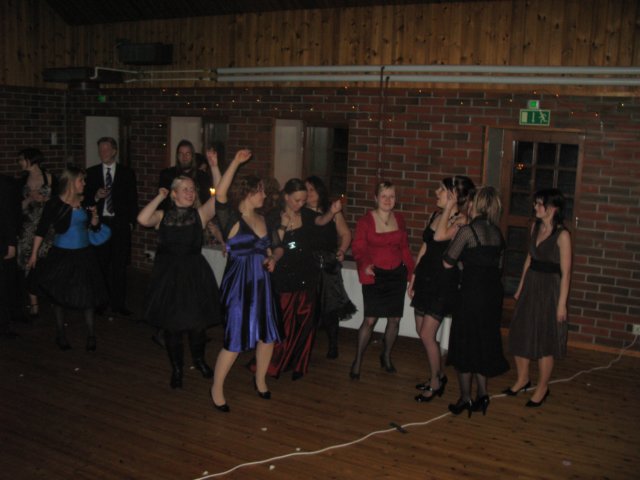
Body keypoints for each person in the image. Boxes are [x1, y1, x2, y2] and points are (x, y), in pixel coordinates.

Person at [137, 159, 221, 389]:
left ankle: (199, 360)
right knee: (172, 326)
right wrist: (159, 197)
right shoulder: (162, 216)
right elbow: (142, 219)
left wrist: (215, 167)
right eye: (185, 189)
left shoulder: (200, 215)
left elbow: (220, 196)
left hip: (194, 274)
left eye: (192, 189)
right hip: (169, 277)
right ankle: (177, 368)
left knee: (198, 324)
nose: (190, 193)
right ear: (174, 194)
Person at [209, 149, 282, 412]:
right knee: (235, 340)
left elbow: (275, 247)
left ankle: (260, 380)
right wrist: (236, 163)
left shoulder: (265, 218)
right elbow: (220, 193)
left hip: (262, 283)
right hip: (239, 285)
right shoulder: (231, 218)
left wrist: (273, 258)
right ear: (247, 193)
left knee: (267, 336)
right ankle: (217, 388)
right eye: (259, 191)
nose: (264, 195)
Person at [266, 178, 343, 380]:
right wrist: (283, 225)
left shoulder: (307, 214)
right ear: (286, 197)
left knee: (306, 322)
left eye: (303, 200)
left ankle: (299, 363)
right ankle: (278, 361)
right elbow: (275, 245)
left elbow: (321, 221)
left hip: (307, 273)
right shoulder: (274, 216)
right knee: (285, 321)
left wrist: (332, 212)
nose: (300, 204)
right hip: (285, 275)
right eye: (297, 200)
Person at [27, 165, 110, 351]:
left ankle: (91, 335)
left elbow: (93, 226)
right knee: (59, 296)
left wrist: (95, 219)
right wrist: (34, 254)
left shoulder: (85, 200)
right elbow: (41, 229)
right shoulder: (54, 203)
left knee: (88, 295)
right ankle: (60, 334)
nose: (84, 183)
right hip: (62, 253)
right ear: (71, 182)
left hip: (83, 253)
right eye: (81, 180)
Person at [443, 186, 509, 417]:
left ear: (477, 204)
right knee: (482, 343)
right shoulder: (497, 233)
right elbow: (498, 268)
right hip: (492, 295)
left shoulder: (468, 231)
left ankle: (465, 398)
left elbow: (448, 261)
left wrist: (464, 264)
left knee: (464, 344)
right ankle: (483, 395)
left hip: (471, 294)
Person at [408, 176, 474, 402]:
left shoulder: (462, 220)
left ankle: (436, 383)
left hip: (443, 282)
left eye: (442, 190)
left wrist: (449, 208)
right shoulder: (435, 215)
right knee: (421, 331)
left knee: (427, 334)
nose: (437, 192)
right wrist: (413, 277)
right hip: (425, 278)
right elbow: (425, 247)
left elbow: (439, 236)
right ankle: (439, 374)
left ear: (454, 196)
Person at [505, 188, 572, 408]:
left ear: (552, 208)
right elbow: (529, 258)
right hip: (531, 284)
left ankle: (542, 387)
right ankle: (523, 379)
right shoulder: (535, 227)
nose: (535, 206)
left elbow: (566, 273)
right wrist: (520, 286)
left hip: (550, 289)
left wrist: (561, 304)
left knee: (545, 339)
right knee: (520, 332)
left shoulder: (562, 235)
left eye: (539, 203)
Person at [350, 181, 415, 379]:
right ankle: (357, 360)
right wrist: (365, 264)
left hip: (396, 275)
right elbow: (358, 248)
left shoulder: (399, 219)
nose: (388, 200)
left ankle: (386, 355)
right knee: (370, 320)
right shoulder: (365, 221)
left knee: (394, 319)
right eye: (384, 196)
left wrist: (412, 274)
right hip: (375, 275)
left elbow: (405, 249)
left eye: (391, 196)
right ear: (376, 198)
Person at [85, 137, 139, 317]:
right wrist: (96, 196)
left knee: (119, 265)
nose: (103, 153)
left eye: (106, 149)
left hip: (119, 223)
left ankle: (118, 303)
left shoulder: (126, 173)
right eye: (100, 150)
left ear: (114, 151)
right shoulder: (91, 173)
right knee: (100, 264)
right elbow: (85, 199)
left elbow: (132, 199)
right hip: (100, 223)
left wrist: (131, 222)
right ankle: (101, 301)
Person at [305, 175, 356, 359]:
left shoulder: (331, 210)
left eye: (312, 189)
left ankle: (333, 344)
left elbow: (346, 234)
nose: (309, 193)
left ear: (319, 190)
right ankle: (305, 347)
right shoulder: (302, 211)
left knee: (330, 306)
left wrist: (341, 250)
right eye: (306, 190)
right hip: (308, 264)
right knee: (308, 307)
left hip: (328, 263)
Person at [16, 148, 56, 319]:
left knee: (45, 261)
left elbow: (58, 202)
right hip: (27, 227)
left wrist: (45, 199)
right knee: (27, 261)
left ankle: (49, 295)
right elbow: (16, 207)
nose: (19, 162)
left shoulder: (50, 177)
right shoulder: (22, 181)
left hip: (46, 227)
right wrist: (30, 198)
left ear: (31, 160)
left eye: (22, 159)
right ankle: (33, 302)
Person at [159, 139, 212, 208]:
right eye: (181, 154)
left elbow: (208, 202)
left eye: (187, 154)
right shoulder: (167, 175)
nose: (184, 157)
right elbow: (162, 203)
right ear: (177, 156)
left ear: (192, 156)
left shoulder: (202, 177)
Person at [0, 173, 22, 337]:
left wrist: (11, 243)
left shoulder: (4, 184)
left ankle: (4, 324)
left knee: (4, 284)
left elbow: (9, 215)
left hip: (2, 240)